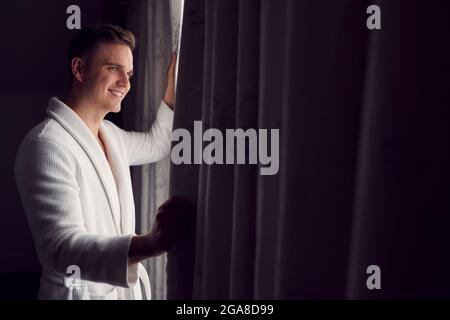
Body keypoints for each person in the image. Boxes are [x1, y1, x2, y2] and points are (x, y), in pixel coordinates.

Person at [14, 24, 194, 300]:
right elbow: (61, 250)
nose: (126, 82)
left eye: (129, 73)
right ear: (79, 69)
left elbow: (158, 143)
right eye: (114, 68)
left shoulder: (111, 135)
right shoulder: (46, 145)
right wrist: (149, 243)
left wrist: (172, 88)